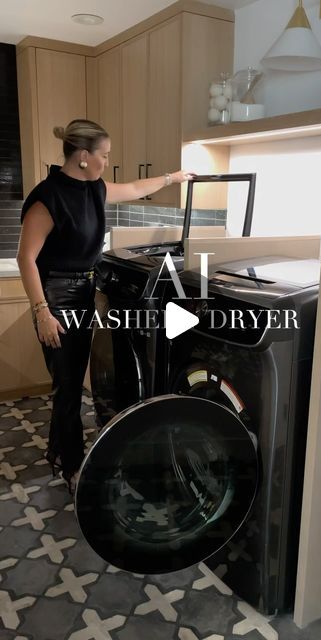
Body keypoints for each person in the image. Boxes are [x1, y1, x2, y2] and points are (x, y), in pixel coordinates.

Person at [17, 118, 193, 495]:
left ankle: (58, 452)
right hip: (56, 300)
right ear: (83, 156)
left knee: (68, 380)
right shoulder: (48, 197)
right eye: (105, 156)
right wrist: (42, 312)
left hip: (83, 293)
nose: (107, 163)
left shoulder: (94, 188)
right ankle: (74, 469)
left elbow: (131, 187)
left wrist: (171, 178)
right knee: (67, 388)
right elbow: (25, 259)